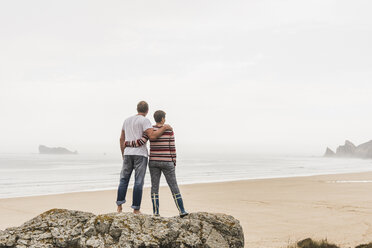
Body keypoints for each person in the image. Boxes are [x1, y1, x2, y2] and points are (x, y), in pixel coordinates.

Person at [125, 110, 188, 217]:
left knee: (154, 187)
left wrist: (127, 143)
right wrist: (174, 161)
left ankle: (156, 213)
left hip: (153, 161)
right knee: (174, 186)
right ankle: (182, 210)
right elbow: (172, 147)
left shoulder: (150, 130)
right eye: (165, 117)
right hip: (168, 162)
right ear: (162, 119)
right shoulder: (169, 131)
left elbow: (141, 142)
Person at [116, 101, 172, 214]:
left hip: (127, 153)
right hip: (140, 154)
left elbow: (122, 139)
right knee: (138, 181)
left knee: (123, 179)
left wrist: (123, 153)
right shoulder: (145, 120)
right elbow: (152, 136)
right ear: (147, 110)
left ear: (137, 109)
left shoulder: (126, 120)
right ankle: (136, 209)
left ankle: (119, 206)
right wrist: (164, 127)